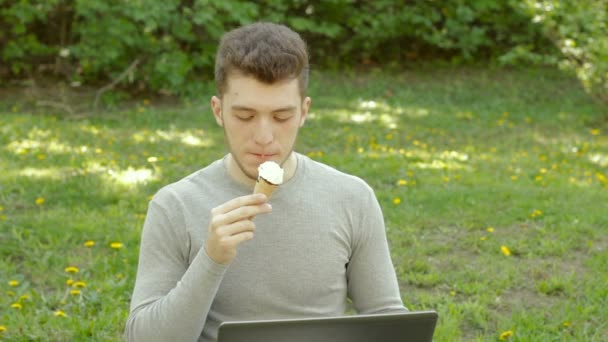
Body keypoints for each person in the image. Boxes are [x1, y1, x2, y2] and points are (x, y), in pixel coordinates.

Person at [125, 22, 407, 342]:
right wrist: (211, 258)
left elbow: (387, 320)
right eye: (245, 116)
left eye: (281, 117)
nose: (264, 137)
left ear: (304, 111)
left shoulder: (352, 198)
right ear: (218, 111)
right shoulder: (175, 206)